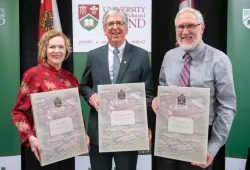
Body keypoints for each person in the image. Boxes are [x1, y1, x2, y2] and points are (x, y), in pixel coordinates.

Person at [152, 7, 236, 170]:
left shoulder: (219, 60)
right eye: (180, 27)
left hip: (200, 140)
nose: (185, 31)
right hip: (168, 137)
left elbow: (227, 107)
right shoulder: (169, 57)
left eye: (191, 26)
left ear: (202, 28)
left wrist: (212, 147)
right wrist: (158, 100)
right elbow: (163, 88)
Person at [80, 8, 154, 170]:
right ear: (104, 29)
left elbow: (148, 94)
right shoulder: (93, 55)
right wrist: (91, 95)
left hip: (129, 132)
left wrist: (143, 125)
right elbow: (84, 85)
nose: (115, 27)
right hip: (99, 131)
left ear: (127, 28)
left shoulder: (141, 55)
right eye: (110, 23)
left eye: (120, 23)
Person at [11, 30, 90, 170]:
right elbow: (18, 112)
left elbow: (75, 112)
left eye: (61, 47)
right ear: (44, 50)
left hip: (68, 146)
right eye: (52, 47)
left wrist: (82, 133)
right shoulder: (33, 75)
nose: (57, 51)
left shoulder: (70, 78)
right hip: (42, 147)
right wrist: (30, 137)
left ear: (66, 50)